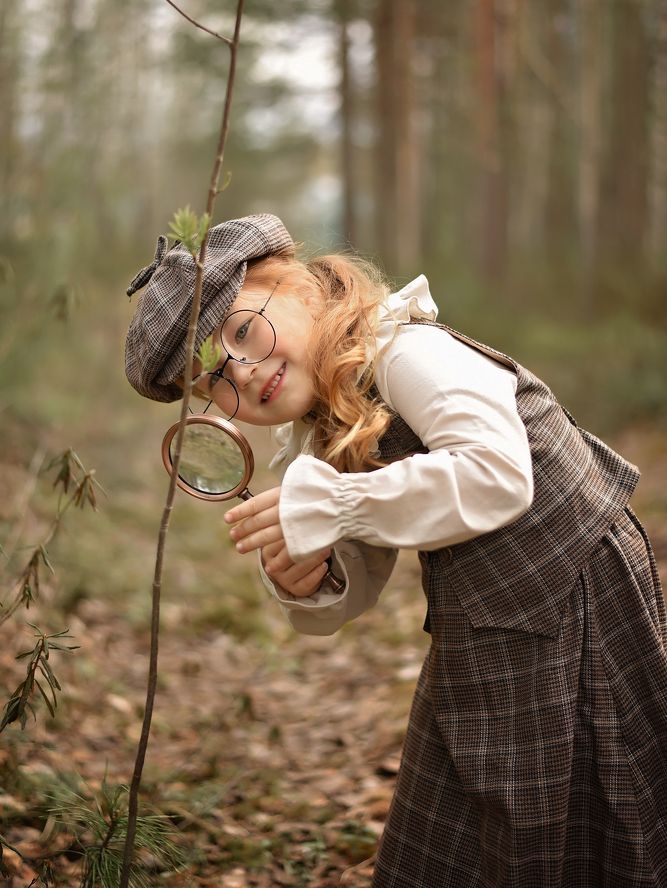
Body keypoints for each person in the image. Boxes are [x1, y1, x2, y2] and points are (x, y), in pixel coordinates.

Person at [125, 213, 667, 887]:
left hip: (575, 597)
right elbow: (359, 569)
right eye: (214, 381)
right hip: (490, 622)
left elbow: (497, 477)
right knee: (463, 824)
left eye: (241, 331)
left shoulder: (406, 352)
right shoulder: (327, 421)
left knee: (581, 810)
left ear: (297, 287)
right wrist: (311, 575)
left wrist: (331, 505)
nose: (244, 371)